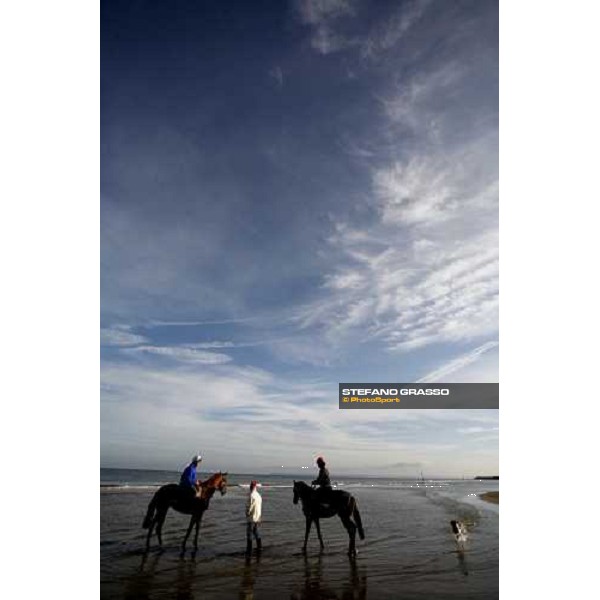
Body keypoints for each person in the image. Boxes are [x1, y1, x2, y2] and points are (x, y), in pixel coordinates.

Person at [245, 480, 262, 556]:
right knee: (256, 533)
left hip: (251, 518)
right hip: (257, 517)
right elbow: (260, 507)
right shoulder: (259, 495)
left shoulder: (251, 495)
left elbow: (249, 508)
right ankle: (260, 548)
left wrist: (247, 514)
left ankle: (249, 551)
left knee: (249, 534)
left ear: (252, 486)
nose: (250, 486)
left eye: (251, 485)